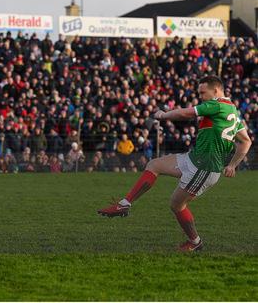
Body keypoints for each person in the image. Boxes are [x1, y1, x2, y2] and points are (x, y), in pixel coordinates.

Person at [98, 76, 252, 252]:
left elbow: (185, 113)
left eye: (203, 92)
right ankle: (124, 204)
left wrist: (163, 115)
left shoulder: (217, 104)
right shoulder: (232, 111)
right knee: (154, 164)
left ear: (216, 91)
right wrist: (232, 165)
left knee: (176, 204)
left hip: (204, 168)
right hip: (194, 159)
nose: (201, 96)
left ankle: (195, 242)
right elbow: (246, 141)